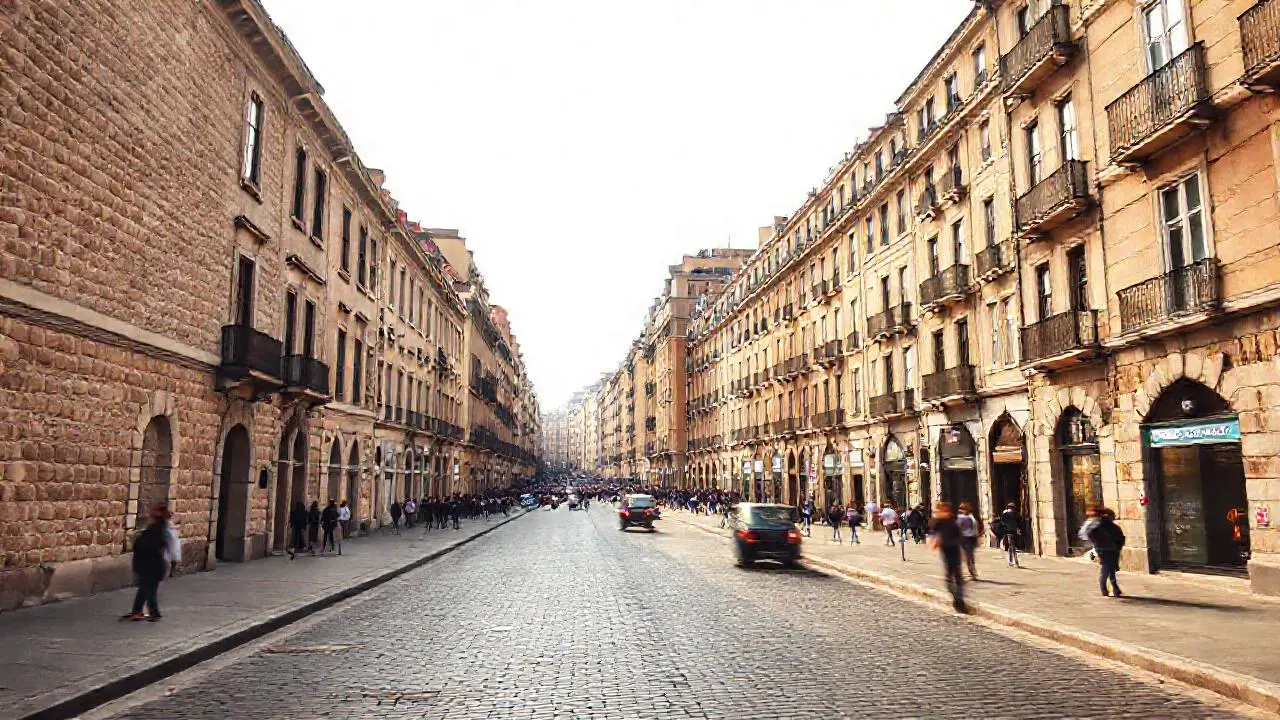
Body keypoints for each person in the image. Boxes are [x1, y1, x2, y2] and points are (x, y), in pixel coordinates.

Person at [121, 503, 180, 621]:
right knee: (145, 588)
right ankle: (137, 611)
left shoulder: (164, 531)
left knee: (148, 588)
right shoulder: (154, 529)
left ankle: (153, 613)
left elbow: (173, 548)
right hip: (149, 563)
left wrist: (173, 562)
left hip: (153, 563)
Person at [928, 502, 967, 613]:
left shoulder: (953, 522)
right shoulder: (938, 522)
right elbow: (932, 534)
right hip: (946, 550)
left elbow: (959, 536)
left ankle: (959, 599)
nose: (946, 511)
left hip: (955, 550)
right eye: (943, 510)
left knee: (958, 575)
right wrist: (934, 543)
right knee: (950, 575)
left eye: (947, 509)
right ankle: (957, 597)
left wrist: (963, 551)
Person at [1087, 508, 1126, 597]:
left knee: (1110, 569)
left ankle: (1115, 589)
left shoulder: (1102, 525)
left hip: (1107, 550)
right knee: (1106, 569)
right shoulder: (1103, 526)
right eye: (1112, 516)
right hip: (1107, 550)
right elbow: (1120, 538)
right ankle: (1105, 589)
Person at [956, 502, 979, 580]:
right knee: (967, 556)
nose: (961, 511)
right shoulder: (965, 517)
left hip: (969, 538)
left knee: (969, 556)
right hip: (965, 538)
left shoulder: (970, 517)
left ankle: (972, 572)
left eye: (962, 509)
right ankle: (971, 572)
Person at [1000, 502, 1023, 567]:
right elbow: (1020, 522)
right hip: (1014, 532)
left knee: (1011, 546)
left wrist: (1005, 528)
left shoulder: (1005, 515)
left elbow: (1002, 523)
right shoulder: (1017, 514)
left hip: (1008, 532)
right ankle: (1015, 561)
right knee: (1012, 546)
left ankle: (1011, 561)